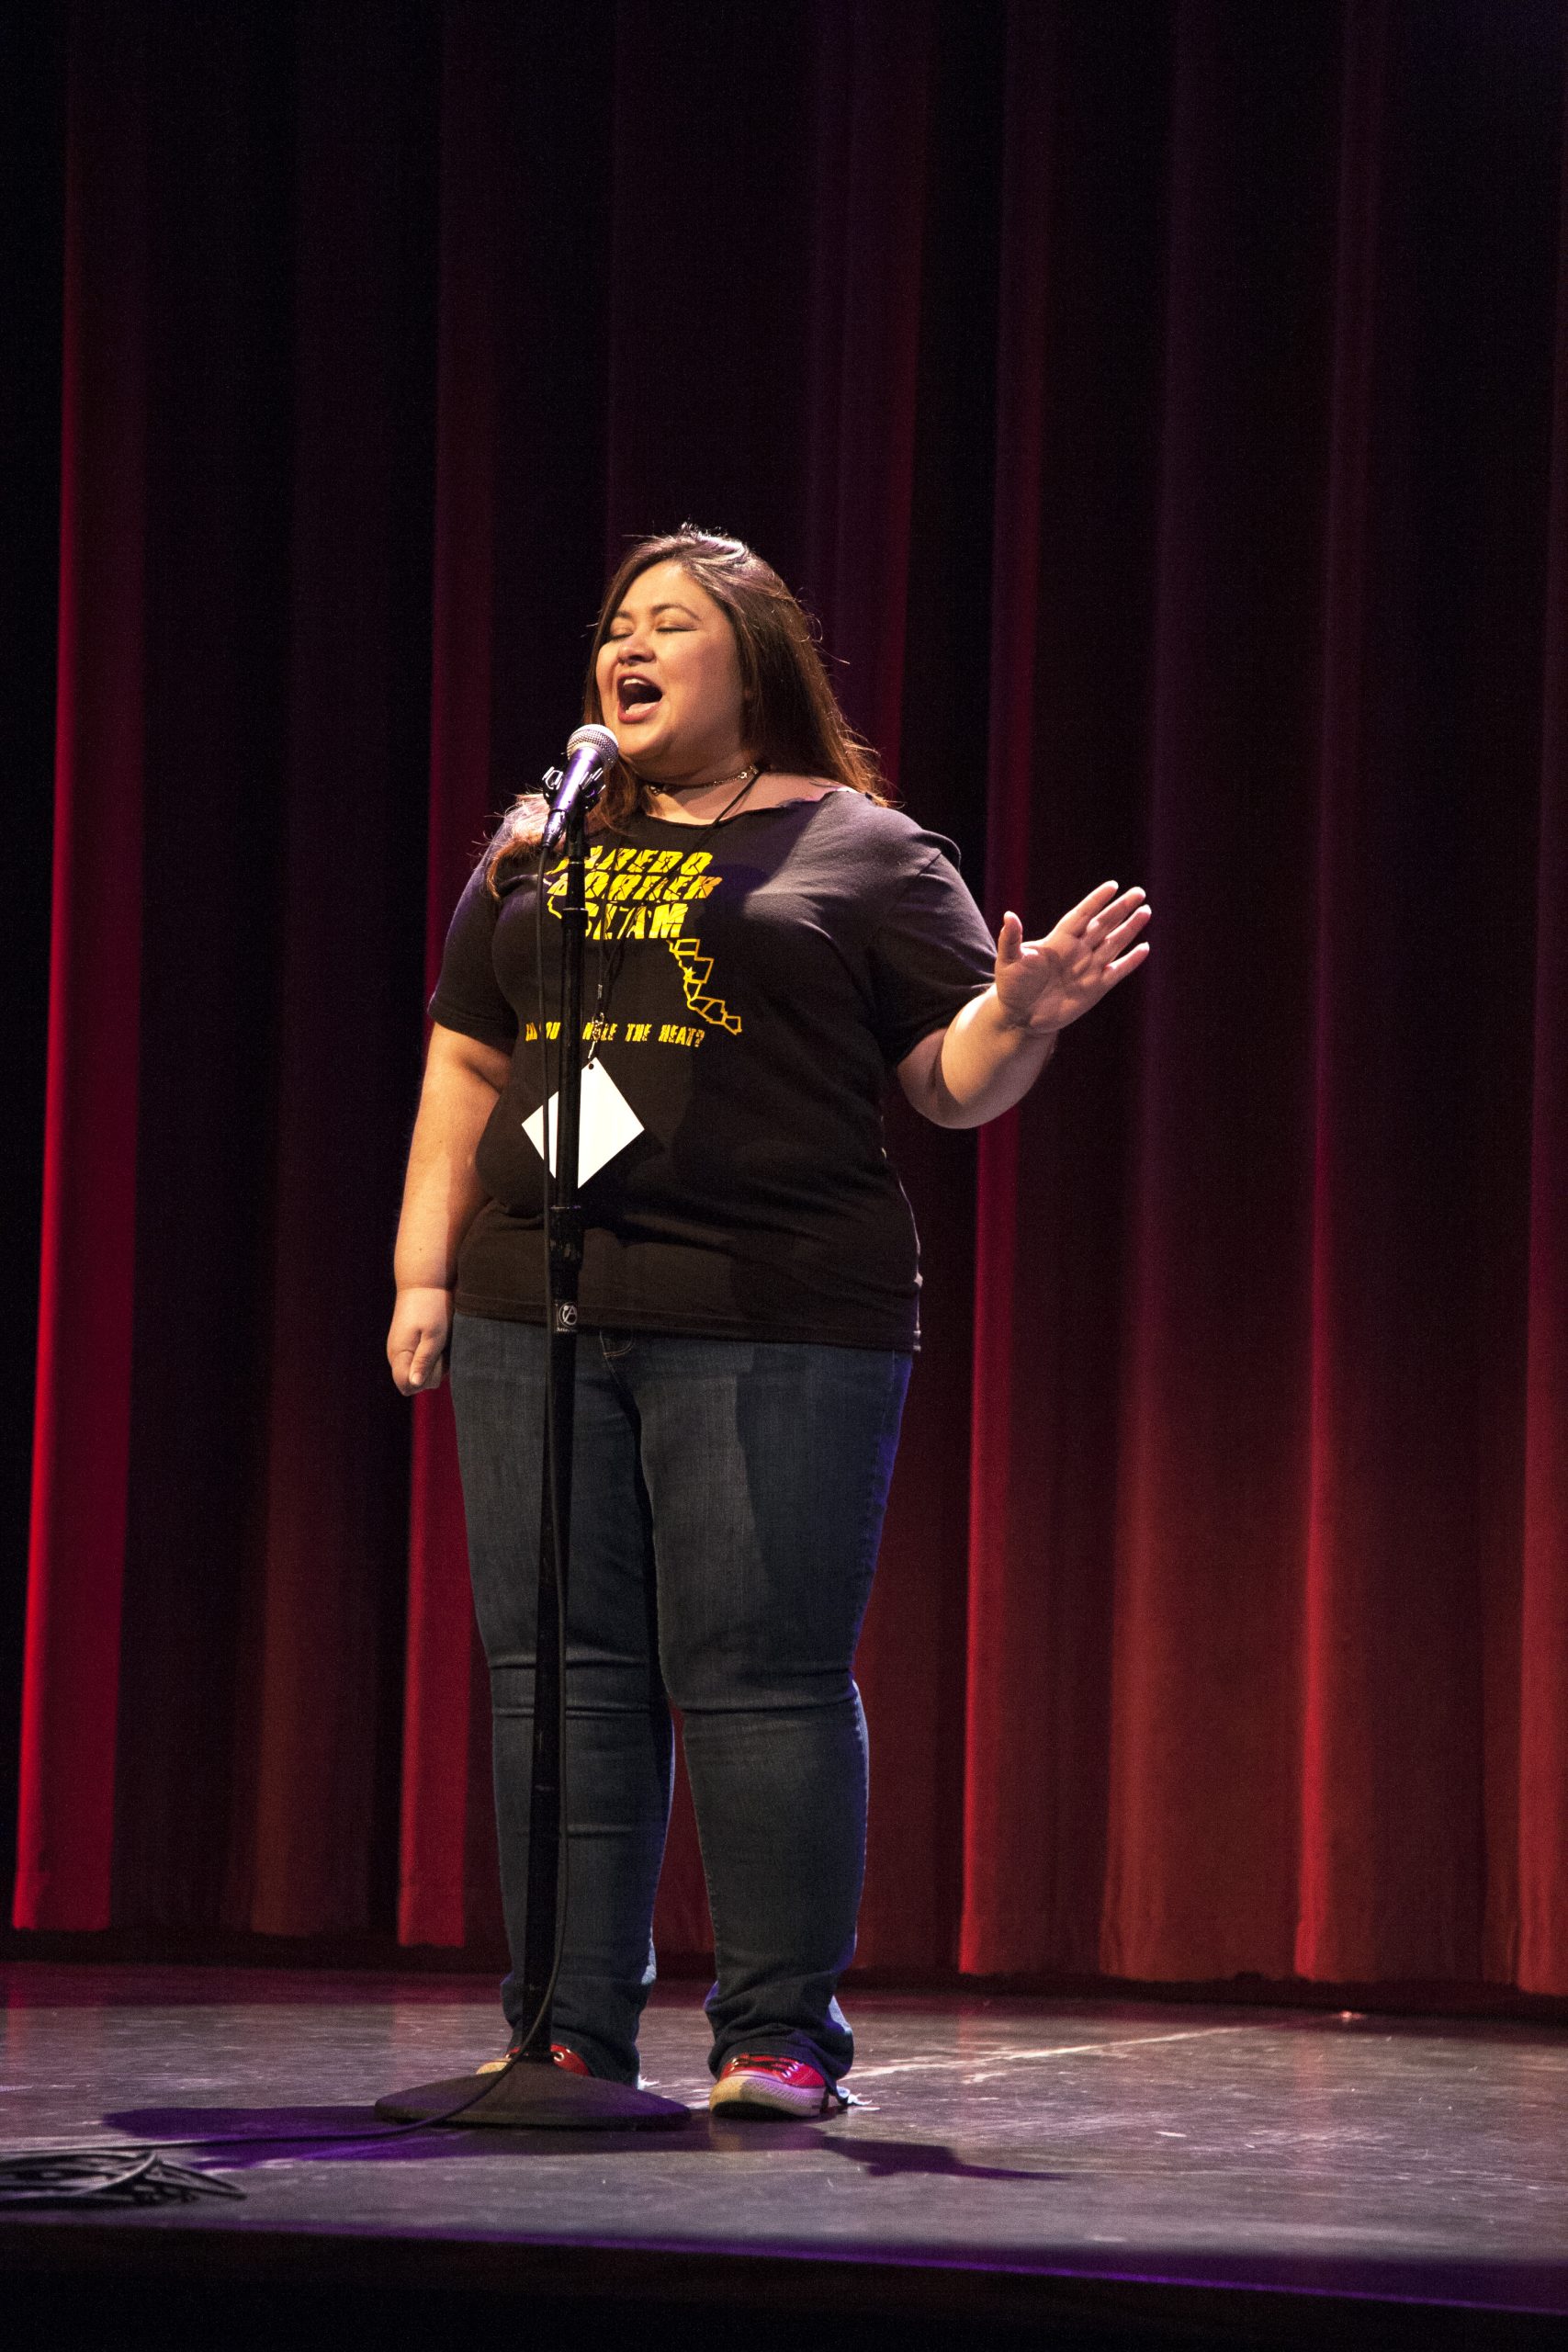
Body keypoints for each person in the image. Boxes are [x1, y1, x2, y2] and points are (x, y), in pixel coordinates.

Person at [387, 528, 1150, 2117]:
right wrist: (426, 1273)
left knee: (757, 1671)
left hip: (776, 1311)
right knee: (559, 1674)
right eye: (616, 624)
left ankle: (778, 2036)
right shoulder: (541, 844)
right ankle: (567, 2031)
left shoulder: (866, 849)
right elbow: (468, 1058)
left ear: (755, 666)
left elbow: (946, 1082)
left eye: (670, 623)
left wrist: (1018, 1016)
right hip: (544, 1304)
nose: (629, 644)